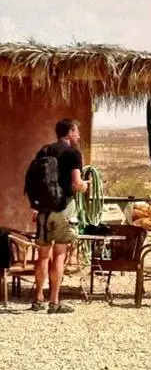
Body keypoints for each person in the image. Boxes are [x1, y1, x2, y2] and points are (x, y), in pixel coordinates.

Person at [31, 118, 88, 314]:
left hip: (43, 209)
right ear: (70, 132)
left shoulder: (44, 151)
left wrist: (35, 207)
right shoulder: (73, 153)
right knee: (60, 254)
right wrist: (85, 186)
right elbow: (77, 183)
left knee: (42, 255)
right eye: (76, 131)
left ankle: (37, 298)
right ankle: (54, 302)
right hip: (64, 208)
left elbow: (34, 181)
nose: (78, 135)